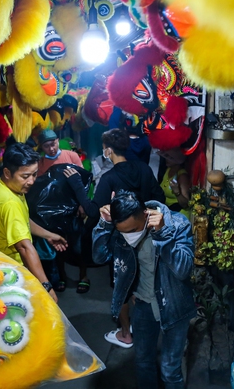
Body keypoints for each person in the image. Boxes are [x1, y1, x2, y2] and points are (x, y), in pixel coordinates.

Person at [63, 128, 165, 347]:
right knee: (144, 281)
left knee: (122, 285)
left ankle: (126, 334)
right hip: (146, 236)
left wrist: (76, 185)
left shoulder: (110, 178)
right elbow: (159, 197)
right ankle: (144, 326)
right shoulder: (144, 169)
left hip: (121, 241)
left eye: (104, 149)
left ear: (108, 150)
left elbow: (92, 210)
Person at [93, 190, 196, 388]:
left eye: (134, 230)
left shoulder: (177, 224)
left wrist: (163, 234)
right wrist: (104, 225)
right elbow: (99, 257)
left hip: (175, 306)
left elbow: (183, 269)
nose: (129, 236)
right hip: (142, 305)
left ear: (146, 214)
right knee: (142, 362)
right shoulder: (120, 229)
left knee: (170, 370)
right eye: (123, 231)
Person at [0, 143, 68, 302]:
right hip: (5, 275)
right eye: (25, 176)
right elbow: (24, 248)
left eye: (34, 174)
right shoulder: (9, 202)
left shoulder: (8, 187)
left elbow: (22, 220)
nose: (31, 181)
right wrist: (46, 287)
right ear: (7, 172)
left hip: (5, 269)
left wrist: (48, 235)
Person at [36, 129, 89, 293]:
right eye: (46, 146)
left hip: (73, 208)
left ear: (58, 141)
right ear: (42, 147)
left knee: (79, 245)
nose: (51, 149)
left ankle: (83, 276)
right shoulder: (41, 163)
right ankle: (62, 276)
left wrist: (82, 204)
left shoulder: (71, 155)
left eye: (53, 144)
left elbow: (83, 180)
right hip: (54, 211)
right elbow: (40, 187)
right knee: (58, 245)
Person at [158, 148, 191, 219]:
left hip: (180, 217)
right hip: (169, 214)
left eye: (170, 158)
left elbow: (186, 204)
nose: (166, 159)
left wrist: (177, 192)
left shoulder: (182, 176)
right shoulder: (168, 170)